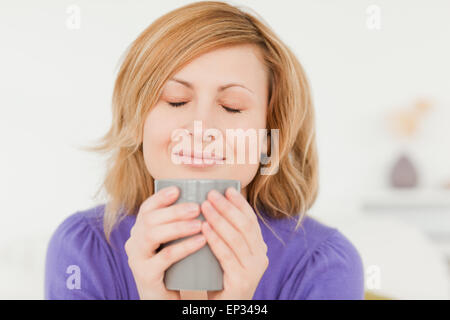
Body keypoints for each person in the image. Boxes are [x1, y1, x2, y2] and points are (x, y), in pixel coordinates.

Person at [45, 1, 364, 300]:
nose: (200, 128)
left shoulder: (324, 265)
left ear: (268, 139)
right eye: (176, 101)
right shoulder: (83, 250)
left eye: (232, 106)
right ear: (138, 121)